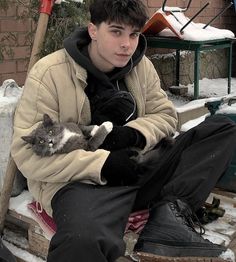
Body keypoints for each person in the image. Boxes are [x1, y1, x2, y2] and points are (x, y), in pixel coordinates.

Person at [11, 0, 236, 261]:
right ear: (93, 30)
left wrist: (134, 135)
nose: (127, 44)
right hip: (81, 185)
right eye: (116, 32)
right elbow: (28, 156)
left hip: (139, 169)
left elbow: (166, 116)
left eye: (134, 34)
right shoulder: (50, 74)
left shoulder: (141, 67)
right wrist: (103, 164)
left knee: (221, 129)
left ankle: (170, 213)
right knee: (83, 240)